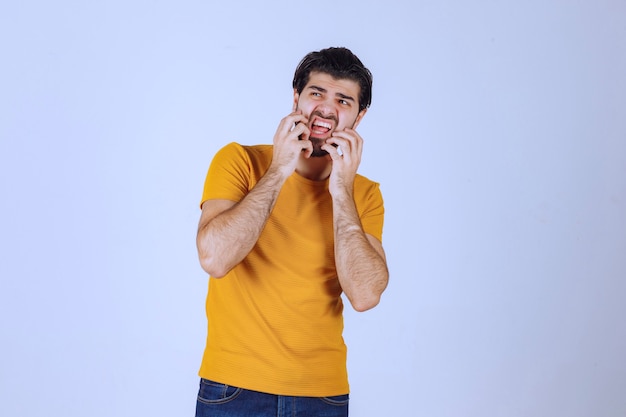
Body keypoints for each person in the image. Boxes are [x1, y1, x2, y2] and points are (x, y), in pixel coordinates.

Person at [194, 46, 389, 417]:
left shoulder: (364, 194)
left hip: (323, 395)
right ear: (296, 98)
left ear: (359, 117)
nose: (328, 108)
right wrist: (279, 169)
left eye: (344, 100)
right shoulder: (239, 161)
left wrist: (341, 191)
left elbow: (365, 295)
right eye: (317, 93)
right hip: (232, 389)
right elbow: (214, 258)